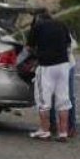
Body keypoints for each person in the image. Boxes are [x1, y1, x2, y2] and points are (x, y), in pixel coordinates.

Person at [26, 12, 73, 142]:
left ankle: (44, 131)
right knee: (63, 100)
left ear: (38, 19)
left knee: (43, 100)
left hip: (46, 66)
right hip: (63, 66)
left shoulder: (38, 26)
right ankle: (63, 133)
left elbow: (29, 48)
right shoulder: (62, 25)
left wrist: (37, 55)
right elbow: (68, 44)